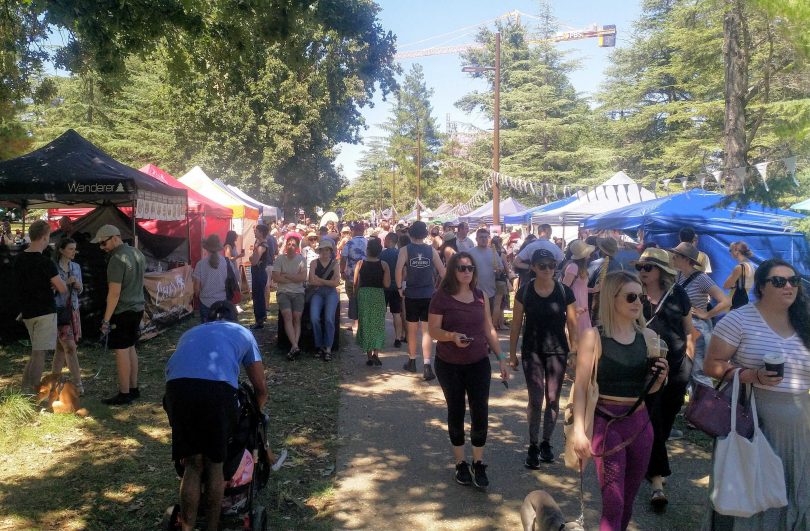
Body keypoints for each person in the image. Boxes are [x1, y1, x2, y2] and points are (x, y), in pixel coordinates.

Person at [704, 259, 809, 530]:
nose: (788, 286)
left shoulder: (805, 321)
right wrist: (751, 375)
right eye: (779, 281)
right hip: (752, 422)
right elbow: (712, 364)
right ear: (762, 286)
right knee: (750, 491)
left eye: (793, 280)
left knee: (794, 494)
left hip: (801, 426)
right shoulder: (739, 319)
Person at [571, 271, 669, 531]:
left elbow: (650, 390)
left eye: (641, 297)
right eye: (630, 297)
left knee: (628, 500)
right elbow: (580, 388)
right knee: (613, 501)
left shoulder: (648, 337)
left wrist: (660, 377)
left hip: (640, 424)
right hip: (607, 424)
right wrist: (579, 432)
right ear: (611, 299)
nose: (638, 302)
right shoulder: (594, 337)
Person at [163, 301, 268, 531]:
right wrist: (255, 415)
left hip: (177, 389)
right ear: (235, 320)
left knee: (192, 463)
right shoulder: (242, 332)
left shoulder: (190, 332)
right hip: (217, 391)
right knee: (214, 464)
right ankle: (211, 527)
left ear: (207, 320)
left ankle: (188, 528)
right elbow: (260, 387)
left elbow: (172, 371)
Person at [428, 252, 508, 488]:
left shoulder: (480, 296)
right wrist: (452, 336)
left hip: (478, 362)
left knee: (480, 411)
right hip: (449, 364)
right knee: (456, 410)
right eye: (462, 268)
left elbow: (489, 329)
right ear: (453, 270)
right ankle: (460, 463)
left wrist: (501, 357)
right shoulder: (441, 297)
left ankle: (478, 462)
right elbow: (433, 331)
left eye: (470, 268)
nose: (466, 272)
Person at [633, 248, 694, 512]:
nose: (642, 272)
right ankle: (657, 483)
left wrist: (689, 362)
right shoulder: (633, 293)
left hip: (678, 366)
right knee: (654, 421)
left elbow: (689, 331)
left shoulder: (678, 294)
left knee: (666, 423)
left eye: (648, 267)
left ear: (661, 270)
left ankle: (650, 462)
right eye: (640, 267)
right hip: (648, 369)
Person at [509, 249, 579, 467]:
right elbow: (516, 323)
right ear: (533, 268)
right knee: (535, 398)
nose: (547, 270)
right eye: (542, 266)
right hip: (532, 351)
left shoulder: (564, 291)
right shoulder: (525, 292)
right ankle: (532, 445)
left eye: (551, 265)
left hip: (558, 351)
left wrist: (574, 351)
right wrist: (510, 354)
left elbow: (573, 324)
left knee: (552, 399)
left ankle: (546, 442)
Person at [92, 224, 146, 406]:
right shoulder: (137, 253)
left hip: (123, 311)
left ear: (115, 237)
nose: (102, 247)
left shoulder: (116, 259)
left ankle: (124, 393)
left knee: (121, 351)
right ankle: (134, 388)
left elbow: (114, 293)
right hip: (138, 308)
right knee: (130, 347)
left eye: (103, 243)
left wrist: (106, 319)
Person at [15, 220, 67, 393]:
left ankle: (24, 390)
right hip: (44, 311)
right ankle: (33, 392)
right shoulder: (46, 262)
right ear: (45, 237)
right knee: (39, 354)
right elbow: (62, 287)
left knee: (35, 352)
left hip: (28, 311)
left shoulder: (19, 259)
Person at [670, 242, 730, 389]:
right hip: (684, 327)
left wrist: (707, 314)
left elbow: (725, 301)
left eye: (676, 256)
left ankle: (705, 406)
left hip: (697, 328)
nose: (672, 257)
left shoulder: (701, 278)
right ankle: (694, 408)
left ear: (686, 259)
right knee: (687, 370)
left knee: (698, 372)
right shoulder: (677, 276)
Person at [395, 221, 446, 380]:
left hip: (411, 294)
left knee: (411, 330)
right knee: (426, 331)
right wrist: (438, 289)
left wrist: (399, 288)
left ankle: (411, 361)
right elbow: (443, 272)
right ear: (425, 234)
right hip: (428, 295)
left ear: (411, 234)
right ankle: (427, 365)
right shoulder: (431, 250)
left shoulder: (404, 250)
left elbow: (398, 270)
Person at [52, 237, 84, 395]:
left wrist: (78, 285)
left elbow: (81, 289)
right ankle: (78, 384)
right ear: (61, 250)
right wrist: (64, 285)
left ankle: (54, 382)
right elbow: (50, 291)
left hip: (72, 310)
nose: (74, 252)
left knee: (60, 348)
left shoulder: (76, 267)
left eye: (75, 248)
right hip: (58, 311)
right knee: (70, 347)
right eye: (71, 248)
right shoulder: (53, 268)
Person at [354, 237, 390, 367]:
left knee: (366, 323)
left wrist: (355, 295)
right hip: (378, 294)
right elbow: (386, 284)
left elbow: (355, 283)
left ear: (367, 250)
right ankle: (376, 353)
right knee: (378, 324)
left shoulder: (360, 263)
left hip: (364, 294)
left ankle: (369, 356)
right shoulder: (384, 265)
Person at [272, 232, 306, 359]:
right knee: (287, 316)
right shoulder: (280, 259)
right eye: (289, 244)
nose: (291, 246)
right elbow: (275, 277)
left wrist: (285, 276)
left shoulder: (301, 259)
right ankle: (295, 345)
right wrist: (294, 278)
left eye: (293, 244)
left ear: (297, 247)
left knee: (297, 317)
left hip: (298, 293)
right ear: (285, 246)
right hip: (284, 293)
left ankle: (294, 346)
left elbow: (302, 277)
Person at [308, 238, 340, 361]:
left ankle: (328, 347)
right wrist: (328, 282)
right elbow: (311, 281)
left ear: (330, 251)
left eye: (327, 250)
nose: (325, 252)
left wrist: (320, 280)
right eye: (323, 250)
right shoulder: (314, 263)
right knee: (314, 318)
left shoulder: (335, 263)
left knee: (328, 319)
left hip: (330, 293)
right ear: (319, 251)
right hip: (317, 293)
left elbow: (336, 283)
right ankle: (319, 345)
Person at [192, 235, 236, 323]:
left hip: (205, 302)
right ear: (219, 247)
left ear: (206, 248)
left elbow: (196, 289)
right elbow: (234, 280)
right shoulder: (227, 263)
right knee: (221, 330)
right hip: (222, 302)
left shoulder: (200, 264)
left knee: (206, 332)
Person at [561, 239, 595, 337]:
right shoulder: (573, 267)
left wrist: (593, 289)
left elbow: (581, 288)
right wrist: (574, 307)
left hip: (582, 306)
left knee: (582, 334)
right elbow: (564, 289)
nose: (590, 254)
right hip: (576, 306)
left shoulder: (579, 267)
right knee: (577, 334)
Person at [468, 228, 505, 313]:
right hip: (474, 291)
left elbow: (501, 267)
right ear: (476, 239)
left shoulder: (493, 252)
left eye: (485, 237)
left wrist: (499, 270)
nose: (483, 239)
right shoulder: (470, 253)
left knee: (489, 314)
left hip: (490, 291)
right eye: (481, 237)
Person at [340, 221, 367, 334]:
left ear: (354, 231)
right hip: (366, 276)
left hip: (351, 276)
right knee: (363, 299)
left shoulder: (349, 243)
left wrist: (342, 271)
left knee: (353, 298)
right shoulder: (368, 242)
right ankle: (363, 323)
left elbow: (343, 258)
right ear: (363, 231)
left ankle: (355, 323)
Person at [380, 232, 404, 347]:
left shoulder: (382, 254)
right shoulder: (399, 254)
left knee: (381, 313)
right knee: (396, 313)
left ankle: (379, 336)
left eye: (385, 239)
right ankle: (398, 338)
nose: (383, 241)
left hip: (384, 287)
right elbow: (404, 271)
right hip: (396, 287)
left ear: (389, 240)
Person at [249, 225, 270, 329]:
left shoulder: (262, 245)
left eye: (256, 230)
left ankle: (260, 320)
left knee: (258, 297)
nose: (254, 232)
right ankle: (259, 319)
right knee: (257, 296)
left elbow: (254, 261)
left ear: (261, 232)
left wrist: (251, 257)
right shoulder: (258, 243)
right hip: (257, 273)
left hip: (259, 273)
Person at [723, 241, 756, 308]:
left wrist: (733, 284)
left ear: (736, 251)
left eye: (730, 250)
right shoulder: (751, 266)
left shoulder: (740, 267)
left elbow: (726, 286)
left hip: (736, 301)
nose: (730, 252)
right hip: (745, 300)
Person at [491, 234, 510, 330]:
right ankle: (497, 324)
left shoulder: (488, 253)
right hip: (501, 280)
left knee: (492, 303)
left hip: (490, 280)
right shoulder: (502, 254)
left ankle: (493, 323)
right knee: (499, 304)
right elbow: (506, 269)